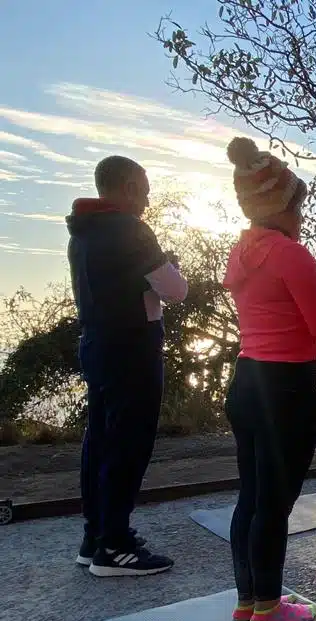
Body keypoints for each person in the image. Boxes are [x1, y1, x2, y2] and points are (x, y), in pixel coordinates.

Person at [223, 137, 316, 621]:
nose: (302, 215)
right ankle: (270, 608)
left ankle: (248, 599)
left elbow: (273, 314)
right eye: (299, 204)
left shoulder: (241, 251)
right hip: (287, 386)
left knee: (251, 495)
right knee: (275, 501)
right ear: (284, 205)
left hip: (248, 378)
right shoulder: (293, 255)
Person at [68, 156, 188, 576]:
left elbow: (117, 281)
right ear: (127, 186)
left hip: (96, 341)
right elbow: (174, 289)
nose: (148, 197)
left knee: (99, 438)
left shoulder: (81, 233)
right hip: (133, 345)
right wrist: (169, 268)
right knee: (129, 442)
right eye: (144, 187)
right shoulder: (131, 229)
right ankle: (115, 546)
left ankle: (95, 535)